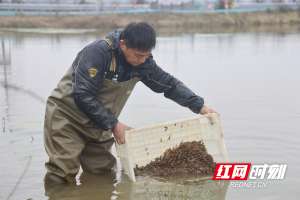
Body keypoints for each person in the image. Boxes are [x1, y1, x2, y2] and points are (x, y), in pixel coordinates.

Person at [43, 22, 217, 185]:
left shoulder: (143, 63)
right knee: (62, 174)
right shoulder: (98, 53)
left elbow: (169, 85)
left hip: (99, 124)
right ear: (123, 44)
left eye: (146, 55)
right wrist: (113, 124)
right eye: (138, 55)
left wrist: (200, 106)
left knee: (103, 174)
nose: (142, 60)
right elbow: (83, 94)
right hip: (68, 118)